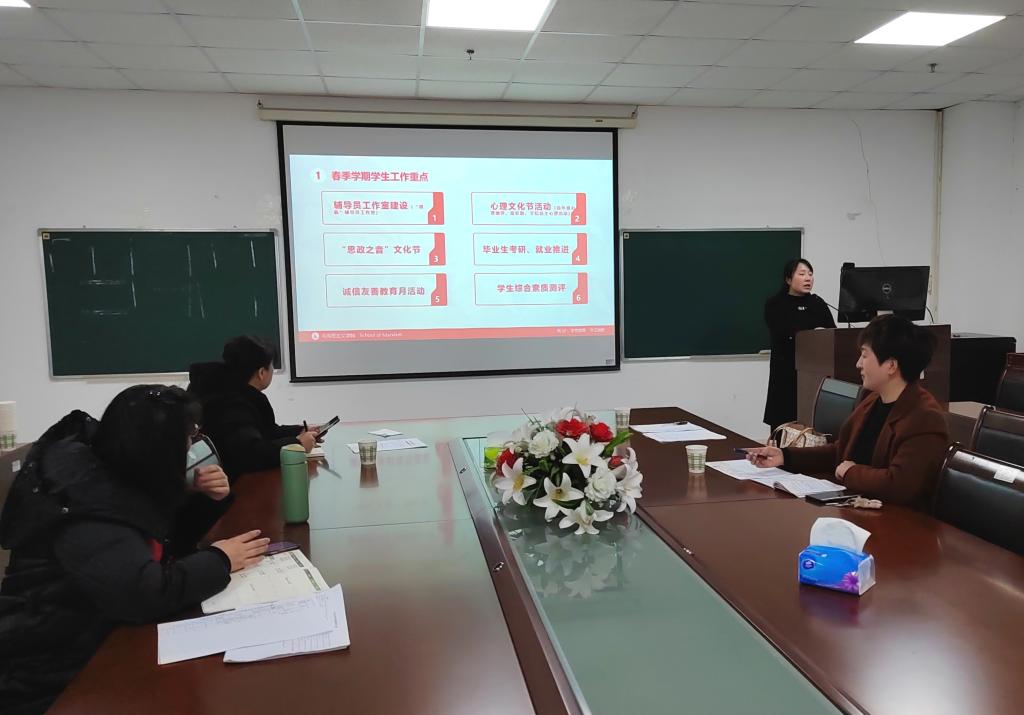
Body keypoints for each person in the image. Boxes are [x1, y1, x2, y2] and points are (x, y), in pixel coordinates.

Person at [0, 385, 269, 715]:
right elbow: (145, 594)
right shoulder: (87, 508)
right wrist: (221, 559)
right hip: (52, 679)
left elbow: (163, 547)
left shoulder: (116, 474)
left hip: (101, 642)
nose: (191, 448)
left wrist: (200, 497)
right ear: (156, 450)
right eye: (186, 439)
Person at [747, 315, 949, 509]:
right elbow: (841, 452)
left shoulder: (924, 417)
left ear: (891, 365)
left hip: (898, 521)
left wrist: (851, 473)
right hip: (858, 507)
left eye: (865, 355)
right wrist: (785, 456)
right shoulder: (872, 400)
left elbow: (900, 485)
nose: (858, 364)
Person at [188, 336, 318, 480]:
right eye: (272, 367)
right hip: (234, 484)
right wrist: (297, 445)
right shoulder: (232, 404)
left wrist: (299, 431)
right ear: (262, 373)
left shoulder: (231, 392)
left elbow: (265, 431)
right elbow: (251, 454)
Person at [763, 258, 836, 433]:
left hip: (816, 373)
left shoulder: (818, 303)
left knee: (813, 426)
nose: (808, 278)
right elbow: (782, 333)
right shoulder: (775, 304)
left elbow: (832, 332)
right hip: (786, 372)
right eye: (802, 274)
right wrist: (812, 335)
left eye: (810, 274)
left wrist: (823, 334)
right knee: (784, 423)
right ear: (788, 279)